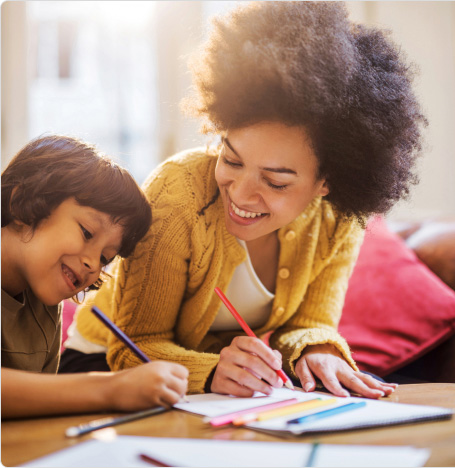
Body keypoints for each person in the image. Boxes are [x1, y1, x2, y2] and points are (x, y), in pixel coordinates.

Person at [62, 2, 426, 399]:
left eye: (275, 182)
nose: (238, 192)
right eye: (231, 159)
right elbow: (136, 347)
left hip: (219, 386)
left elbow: (309, 323)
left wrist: (317, 349)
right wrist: (214, 369)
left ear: (327, 182)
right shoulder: (177, 196)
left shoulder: (337, 219)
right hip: (105, 365)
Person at [1, 135, 189, 418]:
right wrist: (110, 388)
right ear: (22, 203)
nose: (93, 265)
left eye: (105, 258)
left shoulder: (44, 308)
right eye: (87, 232)